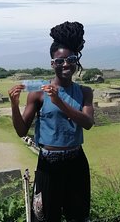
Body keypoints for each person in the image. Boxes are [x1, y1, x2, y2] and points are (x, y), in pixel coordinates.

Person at [8, 21, 94, 222]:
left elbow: (88, 122)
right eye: (59, 61)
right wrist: (14, 105)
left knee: (78, 216)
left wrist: (59, 102)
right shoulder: (38, 93)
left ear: (76, 61)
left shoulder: (84, 92)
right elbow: (22, 131)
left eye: (71, 59)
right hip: (48, 164)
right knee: (45, 217)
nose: (66, 64)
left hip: (76, 160)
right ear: (52, 63)